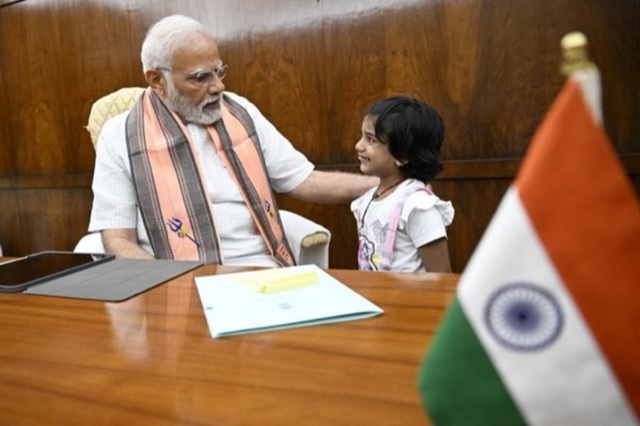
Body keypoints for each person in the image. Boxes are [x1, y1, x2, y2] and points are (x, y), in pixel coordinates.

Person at [88, 14, 376, 267]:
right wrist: (168, 286)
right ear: (156, 80)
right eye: (200, 78)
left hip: (260, 273)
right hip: (176, 282)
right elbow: (118, 240)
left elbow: (304, 181)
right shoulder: (118, 136)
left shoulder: (240, 111)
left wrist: (390, 184)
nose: (218, 86)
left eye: (219, 70)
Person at [351, 96, 454, 273]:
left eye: (371, 140)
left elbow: (442, 277)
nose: (358, 146)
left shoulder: (418, 207)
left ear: (402, 156)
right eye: (362, 136)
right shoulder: (367, 200)